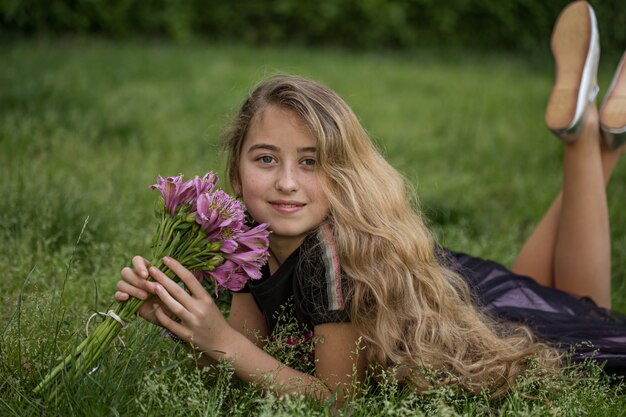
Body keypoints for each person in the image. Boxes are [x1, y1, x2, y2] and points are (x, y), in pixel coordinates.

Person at [114, 0, 626, 402]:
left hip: (456, 333)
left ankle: (584, 142)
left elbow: (339, 401)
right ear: (236, 168)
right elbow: (256, 349)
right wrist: (187, 323)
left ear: (343, 171)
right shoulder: (249, 234)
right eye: (265, 159)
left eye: (311, 162)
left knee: (583, 323)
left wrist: (220, 341)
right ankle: (590, 136)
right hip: (465, 289)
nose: (286, 182)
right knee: (532, 289)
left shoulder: (329, 260)